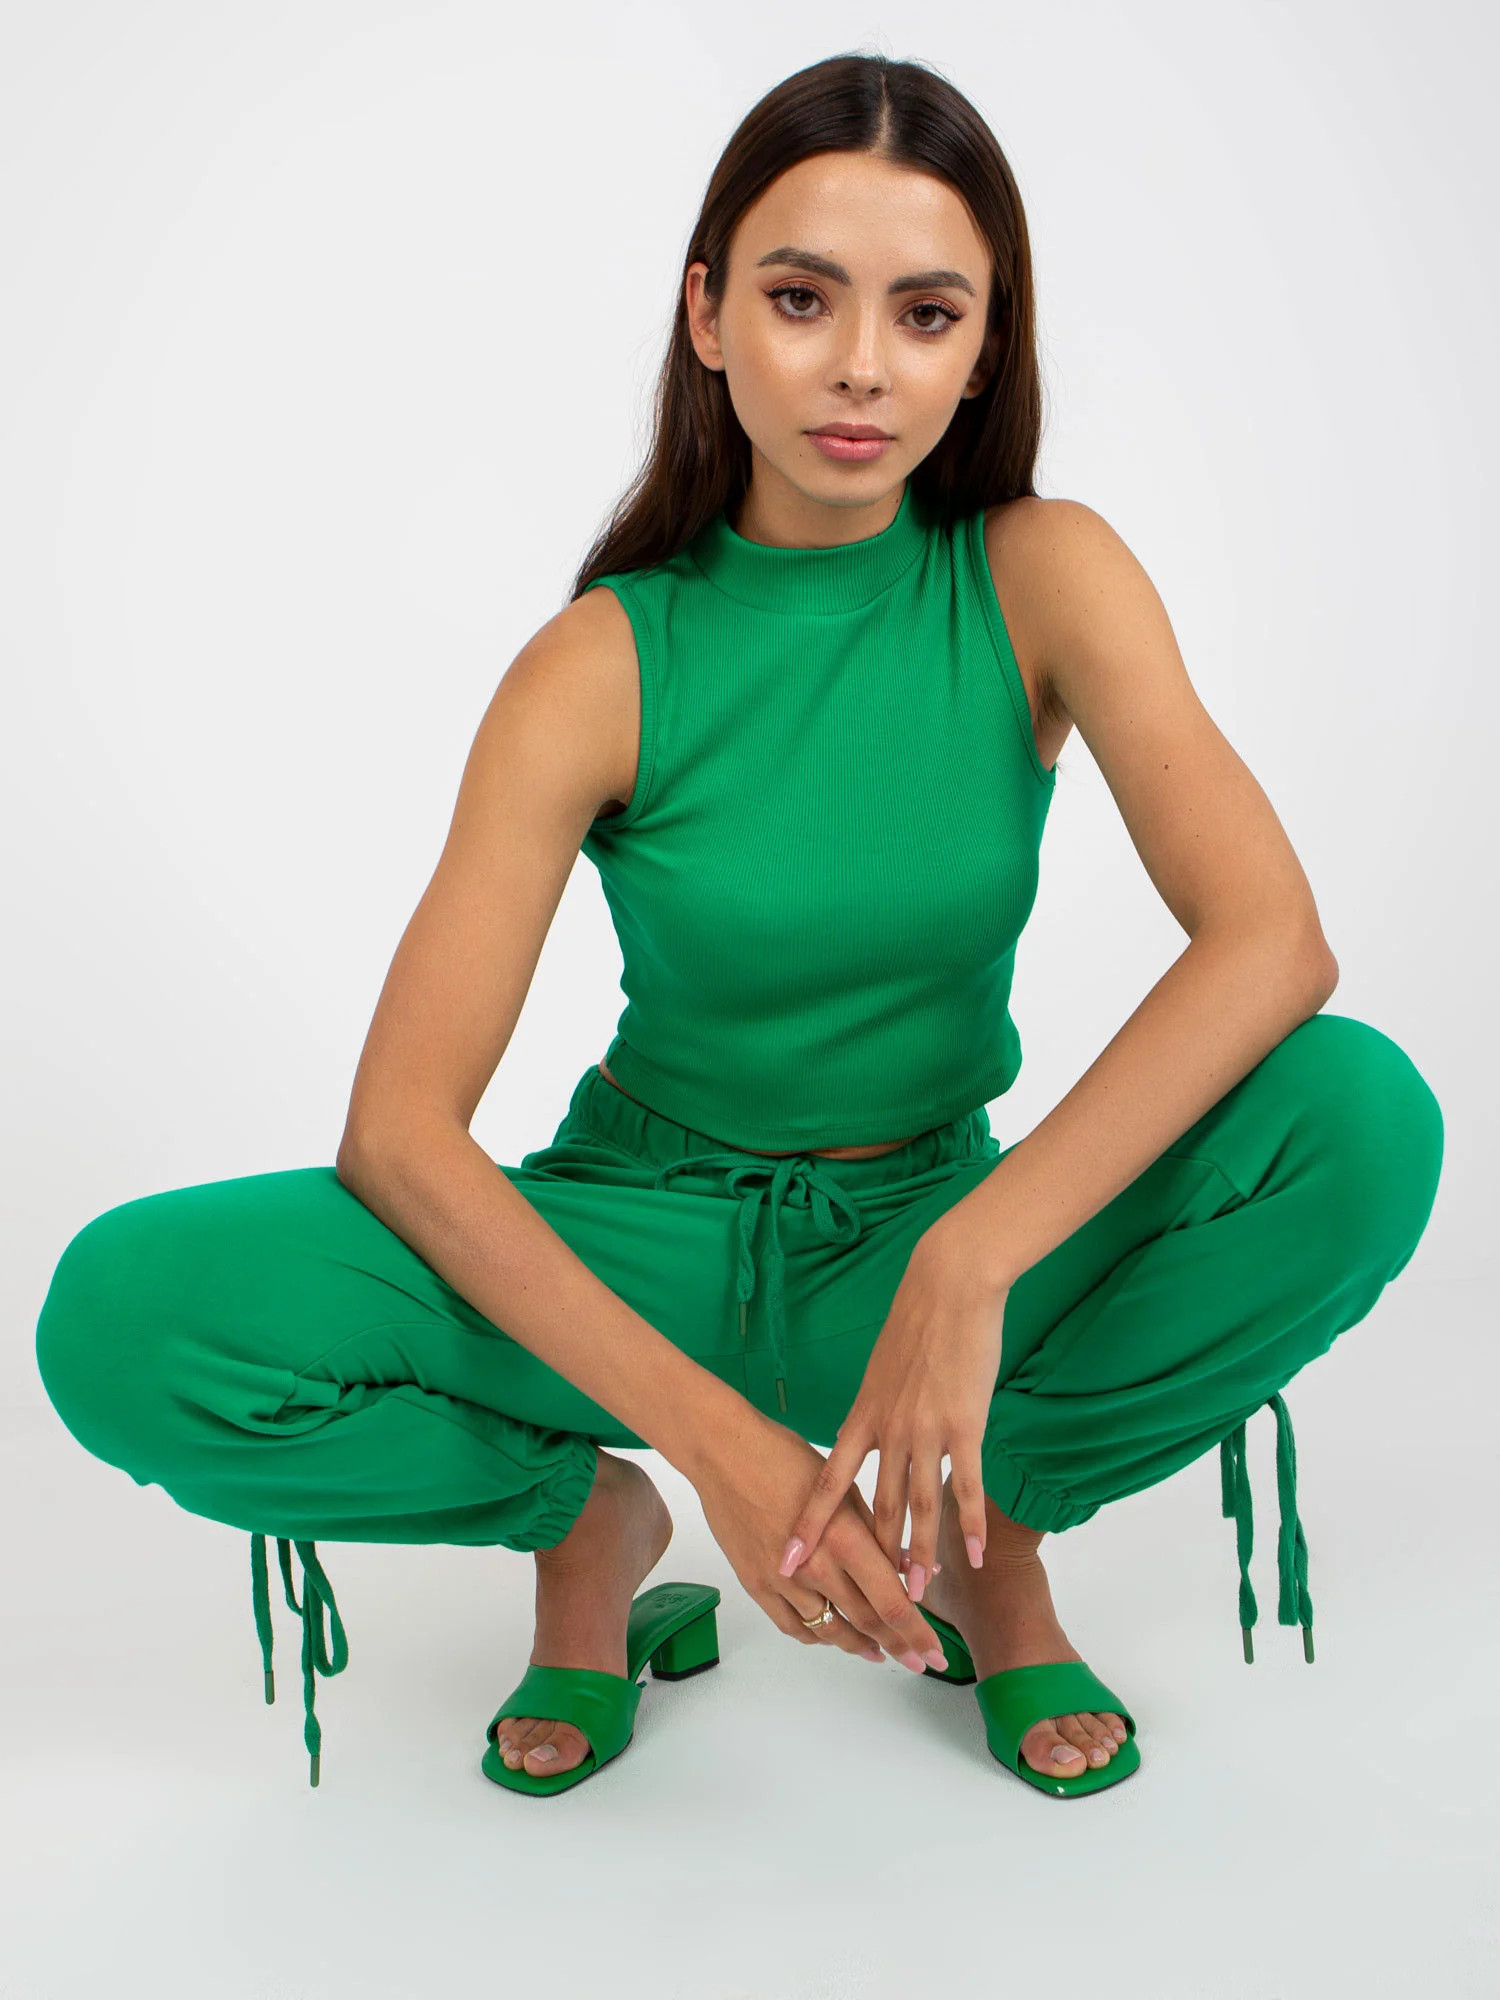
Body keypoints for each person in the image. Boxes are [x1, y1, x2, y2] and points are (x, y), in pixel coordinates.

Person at [34, 51, 1444, 1801]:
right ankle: (588, 1526)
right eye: (799, 298)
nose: (860, 364)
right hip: (648, 1238)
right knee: (126, 1318)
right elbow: (398, 1135)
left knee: (1359, 1116)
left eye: (925, 313)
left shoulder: (1042, 575)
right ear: (707, 315)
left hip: (930, 1228)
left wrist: (968, 1263)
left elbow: (1271, 943)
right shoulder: (598, 663)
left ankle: (985, 1530)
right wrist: (711, 1448)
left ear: (983, 349)